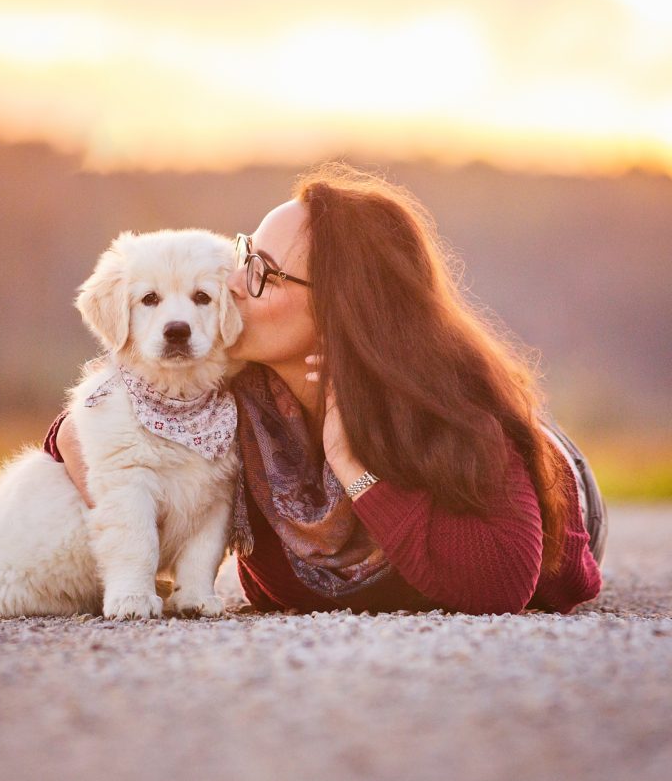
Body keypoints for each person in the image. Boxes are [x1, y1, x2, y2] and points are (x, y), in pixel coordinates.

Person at [45, 162, 605, 616]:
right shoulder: (233, 395)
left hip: (557, 497)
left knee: (531, 445)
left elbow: (500, 583)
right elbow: (79, 428)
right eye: (245, 257)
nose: (233, 284)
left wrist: (351, 463)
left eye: (262, 272)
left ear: (339, 307)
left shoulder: (451, 413)